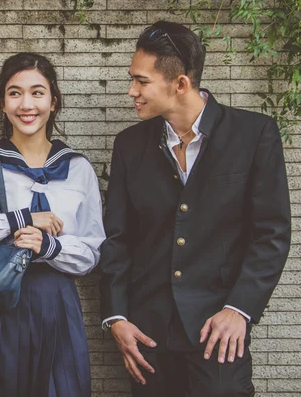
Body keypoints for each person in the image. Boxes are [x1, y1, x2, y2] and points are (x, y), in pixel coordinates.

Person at [99, 20, 291, 396]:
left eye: (141, 81)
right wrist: (117, 317)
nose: (131, 91)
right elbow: (117, 238)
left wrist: (240, 309)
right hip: (148, 334)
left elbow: (272, 234)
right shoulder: (128, 145)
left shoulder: (255, 134)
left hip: (218, 331)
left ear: (181, 84)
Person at [0, 52, 105, 397]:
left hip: (58, 303)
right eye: (15, 93)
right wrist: (20, 219)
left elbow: (91, 251)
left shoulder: (78, 168)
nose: (27, 104)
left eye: (37, 93)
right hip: (0, 302)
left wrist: (50, 245)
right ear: (1, 102)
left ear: (54, 101)